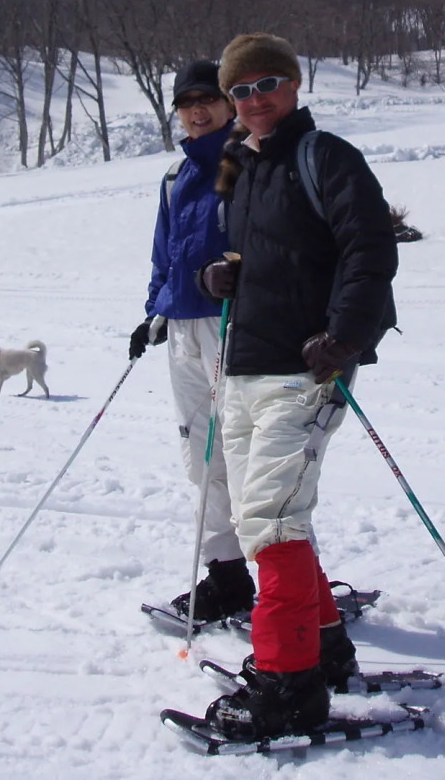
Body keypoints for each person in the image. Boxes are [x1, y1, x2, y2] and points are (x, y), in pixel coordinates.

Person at [195, 33, 398, 739]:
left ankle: (288, 686)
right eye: (241, 90)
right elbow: (266, 254)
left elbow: (369, 249)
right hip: (245, 366)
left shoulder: (326, 155)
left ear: (295, 84)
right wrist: (223, 275)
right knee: (266, 518)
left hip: (303, 371)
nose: (255, 99)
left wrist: (344, 336)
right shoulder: (243, 167)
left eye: (267, 84)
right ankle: (325, 647)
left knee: (272, 523)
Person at [130, 60, 256, 623]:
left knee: (251, 455)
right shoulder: (174, 177)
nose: (197, 110)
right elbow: (165, 252)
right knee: (200, 456)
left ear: (228, 104)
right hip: (183, 327)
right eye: (186, 103)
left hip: (232, 324)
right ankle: (226, 576)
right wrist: (154, 311)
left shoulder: (248, 164)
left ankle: (300, 585)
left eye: (207, 99)